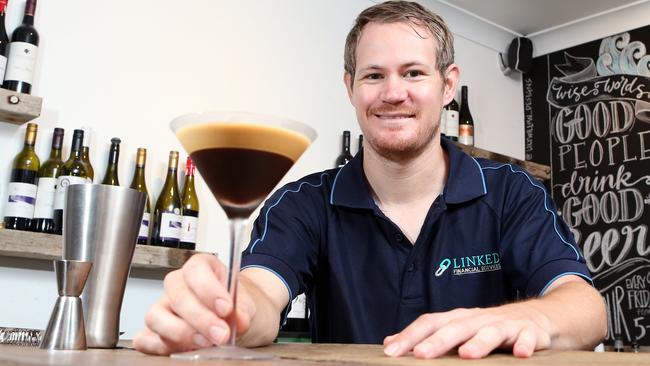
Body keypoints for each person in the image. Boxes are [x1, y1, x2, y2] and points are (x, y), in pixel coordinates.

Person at [134, 1, 607, 359]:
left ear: (447, 86)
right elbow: (259, 295)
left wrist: (522, 317)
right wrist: (225, 308)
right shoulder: (303, 204)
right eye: (374, 75)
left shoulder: (510, 192)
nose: (393, 92)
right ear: (350, 88)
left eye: (414, 73)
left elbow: (588, 311)